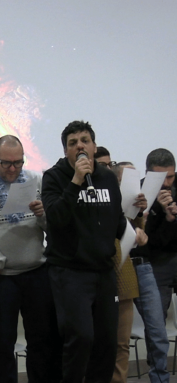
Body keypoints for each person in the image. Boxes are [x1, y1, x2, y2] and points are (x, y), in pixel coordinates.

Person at [41, 121, 146, 383]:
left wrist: (135, 233)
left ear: (93, 146)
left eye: (84, 140)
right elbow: (55, 218)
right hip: (70, 272)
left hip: (103, 270)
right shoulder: (53, 177)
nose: (80, 146)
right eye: (73, 142)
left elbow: (116, 220)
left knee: (106, 342)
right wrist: (76, 181)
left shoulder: (107, 177)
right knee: (81, 338)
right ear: (66, 150)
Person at [0, 135, 61, 383]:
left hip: (36, 272)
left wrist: (42, 215)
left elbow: (54, 228)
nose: (12, 169)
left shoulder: (36, 181)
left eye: (17, 163)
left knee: (41, 340)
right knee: (1, 342)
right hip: (1, 276)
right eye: (6, 163)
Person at [112, 161, 169, 383]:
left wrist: (142, 213)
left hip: (141, 265)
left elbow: (142, 235)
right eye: (126, 180)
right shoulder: (107, 202)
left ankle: (160, 379)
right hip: (119, 268)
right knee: (117, 340)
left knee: (157, 332)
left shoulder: (139, 202)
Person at [143, 148, 177, 320]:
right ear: (148, 175)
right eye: (159, 178)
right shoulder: (139, 194)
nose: (165, 183)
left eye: (170, 177)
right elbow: (147, 242)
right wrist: (165, 217)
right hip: (156, 260)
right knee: (157, 318)